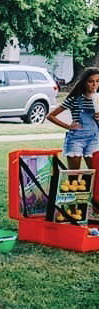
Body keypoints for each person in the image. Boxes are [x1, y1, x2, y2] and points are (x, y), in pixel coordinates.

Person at [46, 67, 99, 207]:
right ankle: (70, 207)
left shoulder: (98, 100)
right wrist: (68, 126)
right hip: (76, 139)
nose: (94, 85)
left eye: (97, 81)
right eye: (91, 81)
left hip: (94, 139)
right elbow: (50, 116)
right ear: (84, 82)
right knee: (73, 176)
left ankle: (93, 206)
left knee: (94, 175)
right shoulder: (75, 99)